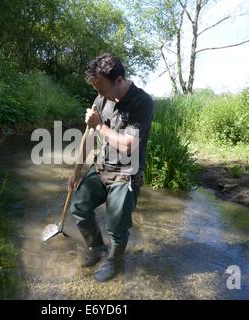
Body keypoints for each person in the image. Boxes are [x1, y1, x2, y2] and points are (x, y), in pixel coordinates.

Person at [68, 53, 154, 282]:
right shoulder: (101, 99)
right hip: (102, 167)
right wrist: (76, 172)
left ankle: (115, 262)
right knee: (79, 208)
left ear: (118, 80)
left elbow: (129, 145)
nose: (99, 94)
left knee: (116, 226)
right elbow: (88, 136)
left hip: (126, 174)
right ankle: (96, 248)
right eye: (95, 89)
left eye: (102, 88)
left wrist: (98, 126)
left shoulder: (142, 102)